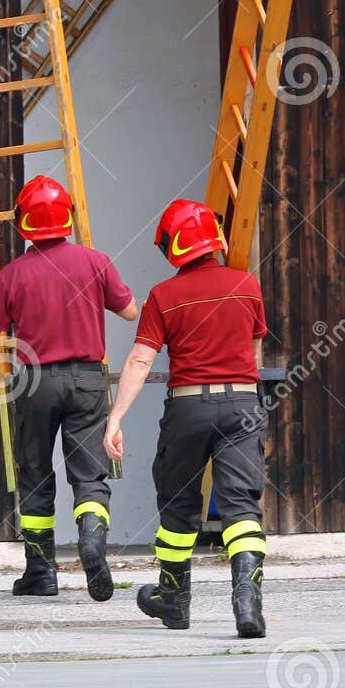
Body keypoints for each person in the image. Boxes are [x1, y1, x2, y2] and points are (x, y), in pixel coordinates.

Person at [103, 198, 269, 639]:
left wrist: (115, 418)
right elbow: (252, 352)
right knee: (241, 505)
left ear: (173, 247)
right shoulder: (247, 285)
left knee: (179, 501)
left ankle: (174, 600)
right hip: (245, 405)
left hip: (188, 407)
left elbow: (140, 360)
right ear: (213, 241)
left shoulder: (164, 296)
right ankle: (248, 602)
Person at [0, 175, 136, 601]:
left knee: (33, 471)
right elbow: (129, 311)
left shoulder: (12, 275)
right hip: (87, 378)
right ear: (68, 217)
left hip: (34, 382)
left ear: (24, 224)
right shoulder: (96, 261)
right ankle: (92, 539)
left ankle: (41, 572)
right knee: (90, 472)